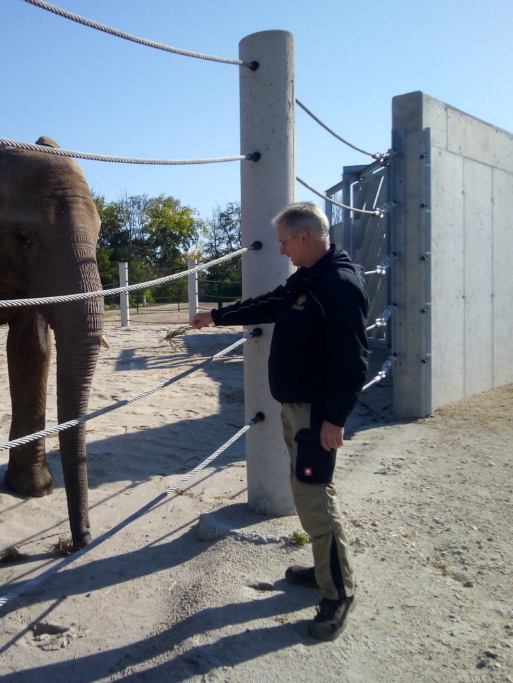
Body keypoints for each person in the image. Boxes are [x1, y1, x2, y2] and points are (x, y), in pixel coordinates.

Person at [192, 201, 368, 641]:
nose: (283, 250)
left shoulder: (338, 284)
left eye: (286, 242)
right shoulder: (310, 277)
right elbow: (272, 303)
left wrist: (334, 420)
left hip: (316, 415)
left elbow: (353, 361)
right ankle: (327, 571)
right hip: (298, 409)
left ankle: (338, 593)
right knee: (308, 494)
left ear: (305, 237)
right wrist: (218, 316)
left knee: (314, 498)